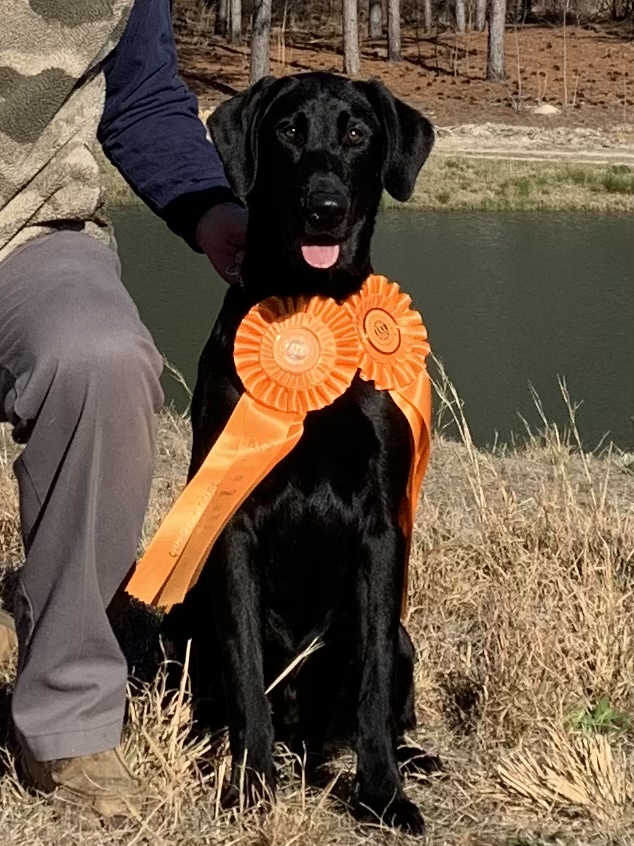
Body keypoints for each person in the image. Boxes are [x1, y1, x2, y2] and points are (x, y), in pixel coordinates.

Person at [0, 0, 246, 820]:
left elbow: (140, 96)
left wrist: (209, 209)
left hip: (31, 232)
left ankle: (67, 718)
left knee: (102, 359)